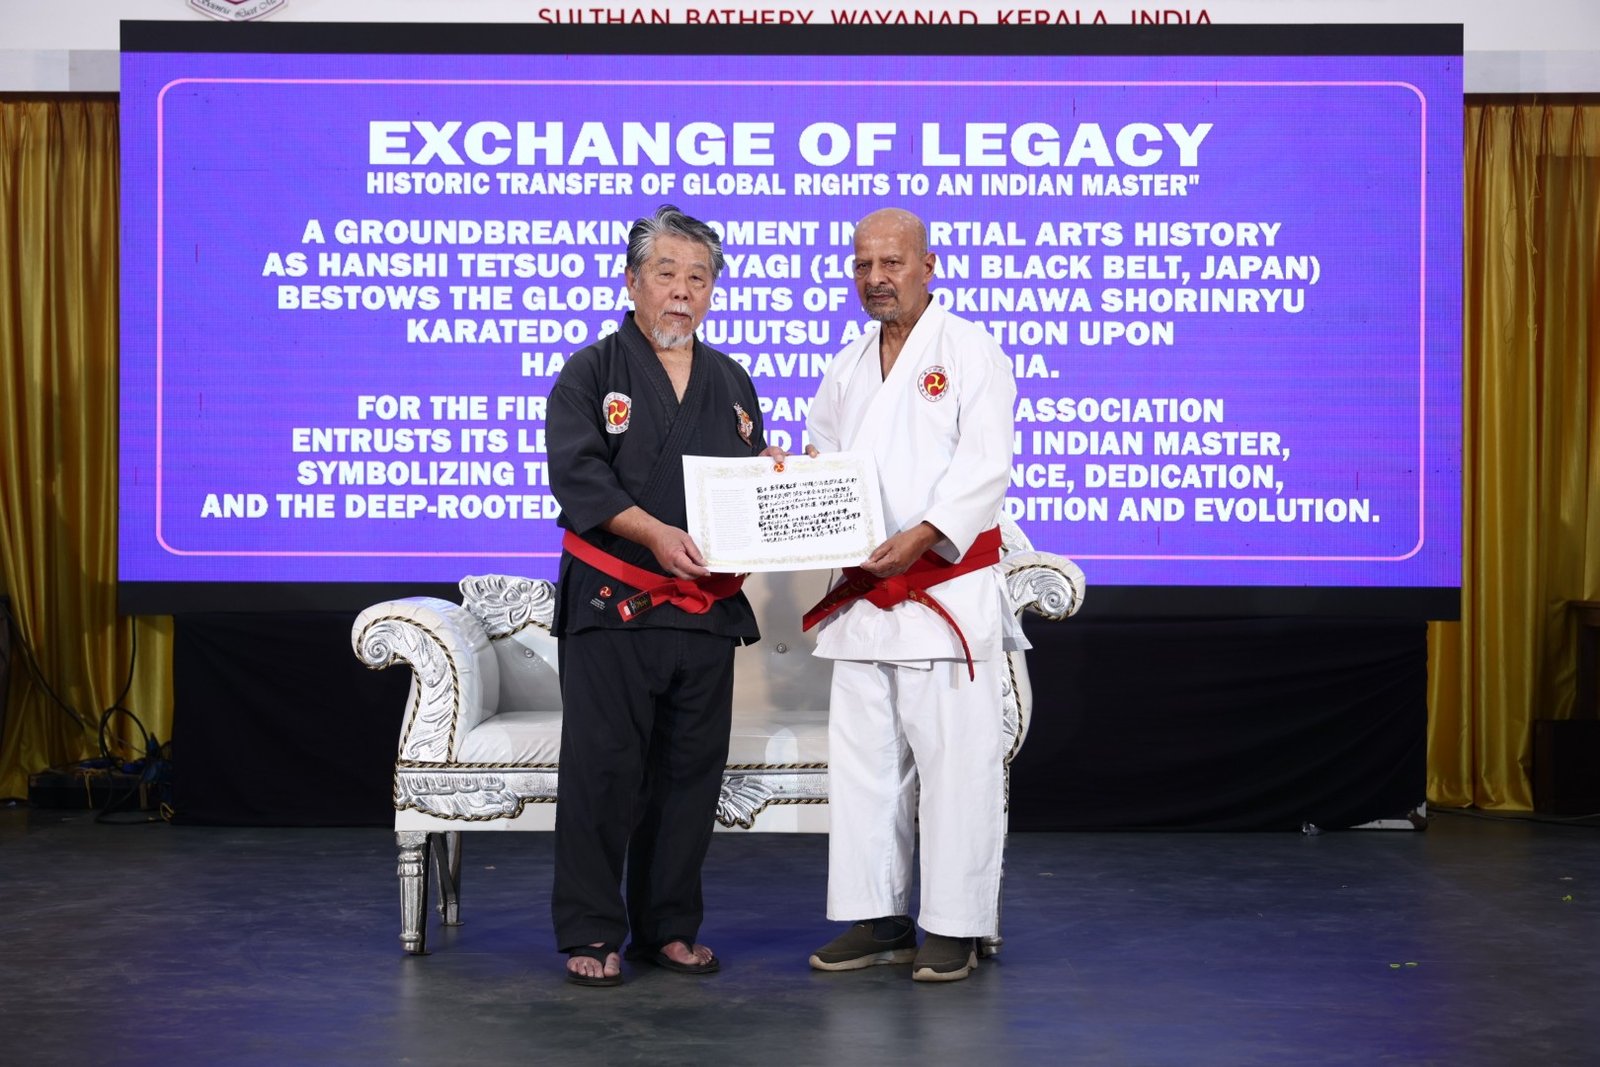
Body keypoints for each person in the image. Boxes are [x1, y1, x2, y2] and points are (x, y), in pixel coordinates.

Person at [545, 205, 775, 987]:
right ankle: (591, 928)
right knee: (603, 772)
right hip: (614, 605)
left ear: (713, 291)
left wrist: (783, 479)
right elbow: (580, 480)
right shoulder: (589, 373)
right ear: (632, 281)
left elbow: (745, 494)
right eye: (667, 274)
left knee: (689, 776)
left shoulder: (732, 381)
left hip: (703, 614)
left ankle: (669, 927)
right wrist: (651, 534)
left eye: (698, 277)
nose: (682, 291)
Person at [802, 207, 1024, 983]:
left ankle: (954, 925)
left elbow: (985, 467)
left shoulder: (971, 352)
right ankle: (880, 915)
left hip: (942, 594)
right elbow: (823, 460)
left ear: (930, 263)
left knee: (955, 766)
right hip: (865, 600)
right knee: (866, 768)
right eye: (862, 265)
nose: (875, 279)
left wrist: (925, 532)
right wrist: (785, 490)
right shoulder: (847, 364)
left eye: (891, 263)